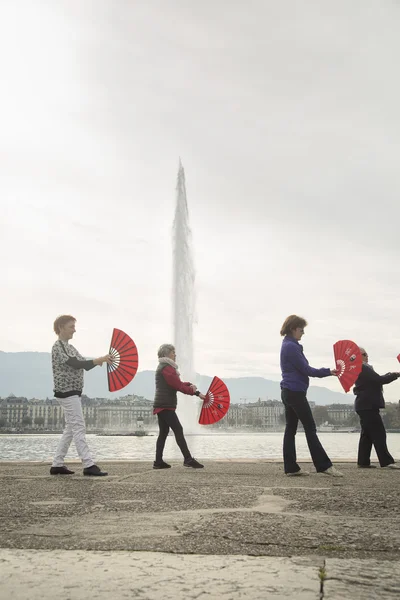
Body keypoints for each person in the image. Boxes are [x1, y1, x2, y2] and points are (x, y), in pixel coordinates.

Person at [280, 315, 343, 477]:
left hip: (288, 391)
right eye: (301, 330)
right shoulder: (291, 347)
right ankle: (323, 465)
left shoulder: (288, 345)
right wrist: (328, 371)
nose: (303, 333)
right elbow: (307, 370)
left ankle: (291, 468)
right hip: (295, 392)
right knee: (310, 427)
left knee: (291, 429)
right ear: (293, 328)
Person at [50, 315, 111, 477]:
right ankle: (88, 464)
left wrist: (102, 360)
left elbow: (83, 364)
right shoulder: (59, 347)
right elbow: (75, 364)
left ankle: (57, 464)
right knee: (79, 427)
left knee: (70, 429)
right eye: (71, 326)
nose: (74, 330)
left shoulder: (69, 347)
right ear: (61, 327)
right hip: (67, 392)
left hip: (72, 392)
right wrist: (99, 360)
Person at [153, 343, 206, 469]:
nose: (175, 355)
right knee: (178, 430)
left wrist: (189, 385)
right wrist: (196, 392)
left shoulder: (164, 367)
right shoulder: (167, 368)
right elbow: (178, 386)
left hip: (162, 404)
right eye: (172, 352)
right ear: (166, 354)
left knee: (164, 432)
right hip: (165, 405)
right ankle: (187, 459)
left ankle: (158, 462)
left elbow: (178, 383)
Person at [353, 347, 400, 469]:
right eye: (364, 354)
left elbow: (376, 379)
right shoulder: (362, 368)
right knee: (379, 433)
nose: (367, 356)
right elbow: (379, 380)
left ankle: (363, 461)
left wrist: (392, 375)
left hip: (363, 405)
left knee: (367, 435)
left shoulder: (361, 368)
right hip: (368, 405)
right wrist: (394, 375)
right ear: (358, 356)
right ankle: (387, 461)